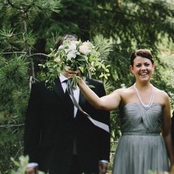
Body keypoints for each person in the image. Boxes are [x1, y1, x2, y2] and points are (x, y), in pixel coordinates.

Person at [73, 49, 174, 174]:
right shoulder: (122, 94)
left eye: (146, 64)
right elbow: (99, 103)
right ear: (131, 69)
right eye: (138, 65)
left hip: (155, 152)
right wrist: (79, 81)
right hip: (128, 152)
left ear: (153, 66)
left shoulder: (163, 96)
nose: (143, 68)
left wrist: (173, 164)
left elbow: (167, 133)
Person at [23, 35, 110, 174]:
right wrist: (30, 160)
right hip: (53, 159)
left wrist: (103, 158)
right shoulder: (41, 89)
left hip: (87, 159)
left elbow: (103, 124)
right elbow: (32, 127)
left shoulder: (96, 88)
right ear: (58, 56)